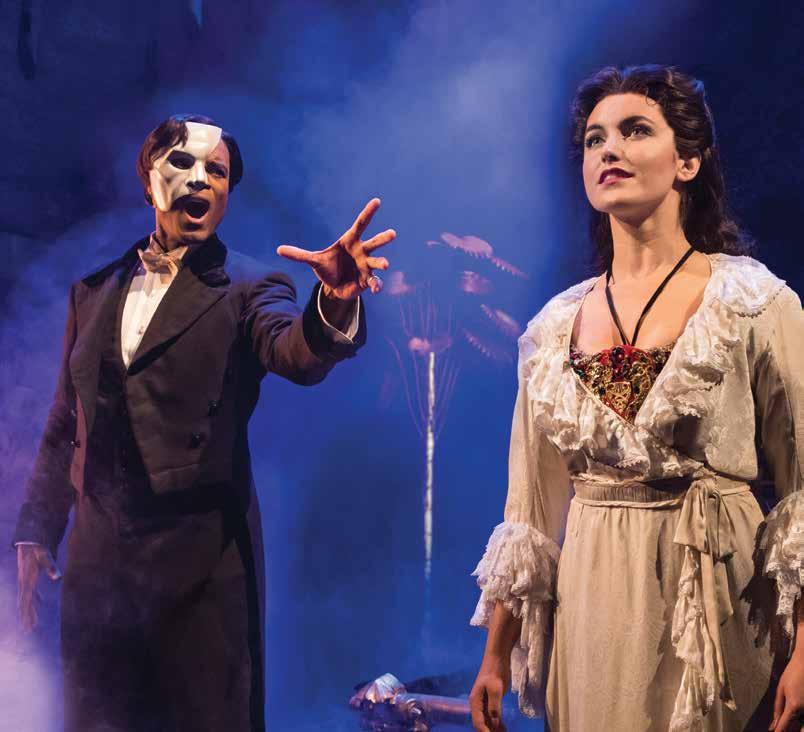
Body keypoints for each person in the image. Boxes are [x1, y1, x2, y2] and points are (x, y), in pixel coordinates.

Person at [14, 113, 396, 731]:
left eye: (216, 172)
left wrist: (332, 303)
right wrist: (36, 529)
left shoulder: (249, 287)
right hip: (98, 565)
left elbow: (294, 353)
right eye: (183, 163)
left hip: (199, 566)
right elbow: (67, 420)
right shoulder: (93, 290)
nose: (200, 179)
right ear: (148, 180)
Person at [468, 66, 803, 731]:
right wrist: (495, 657)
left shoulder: (753, 301)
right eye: (594, 140)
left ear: (688, 161)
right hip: (592, 607)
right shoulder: (552, 329)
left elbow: (802, 488)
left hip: (718, 598)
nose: (609, 150)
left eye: (635, 131)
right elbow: (529, 512)